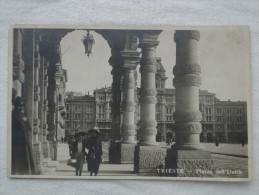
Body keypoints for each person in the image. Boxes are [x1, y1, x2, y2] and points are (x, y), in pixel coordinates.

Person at [12, 97, 36, 175]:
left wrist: (26, 121)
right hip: (17, 142)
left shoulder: (23, 115)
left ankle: (26, 172)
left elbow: (29, 128)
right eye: (19, 105)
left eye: (22, 105)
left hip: (25, 141)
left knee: (26, 158)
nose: (21, 107)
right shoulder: (13, 115)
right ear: (16, 105)